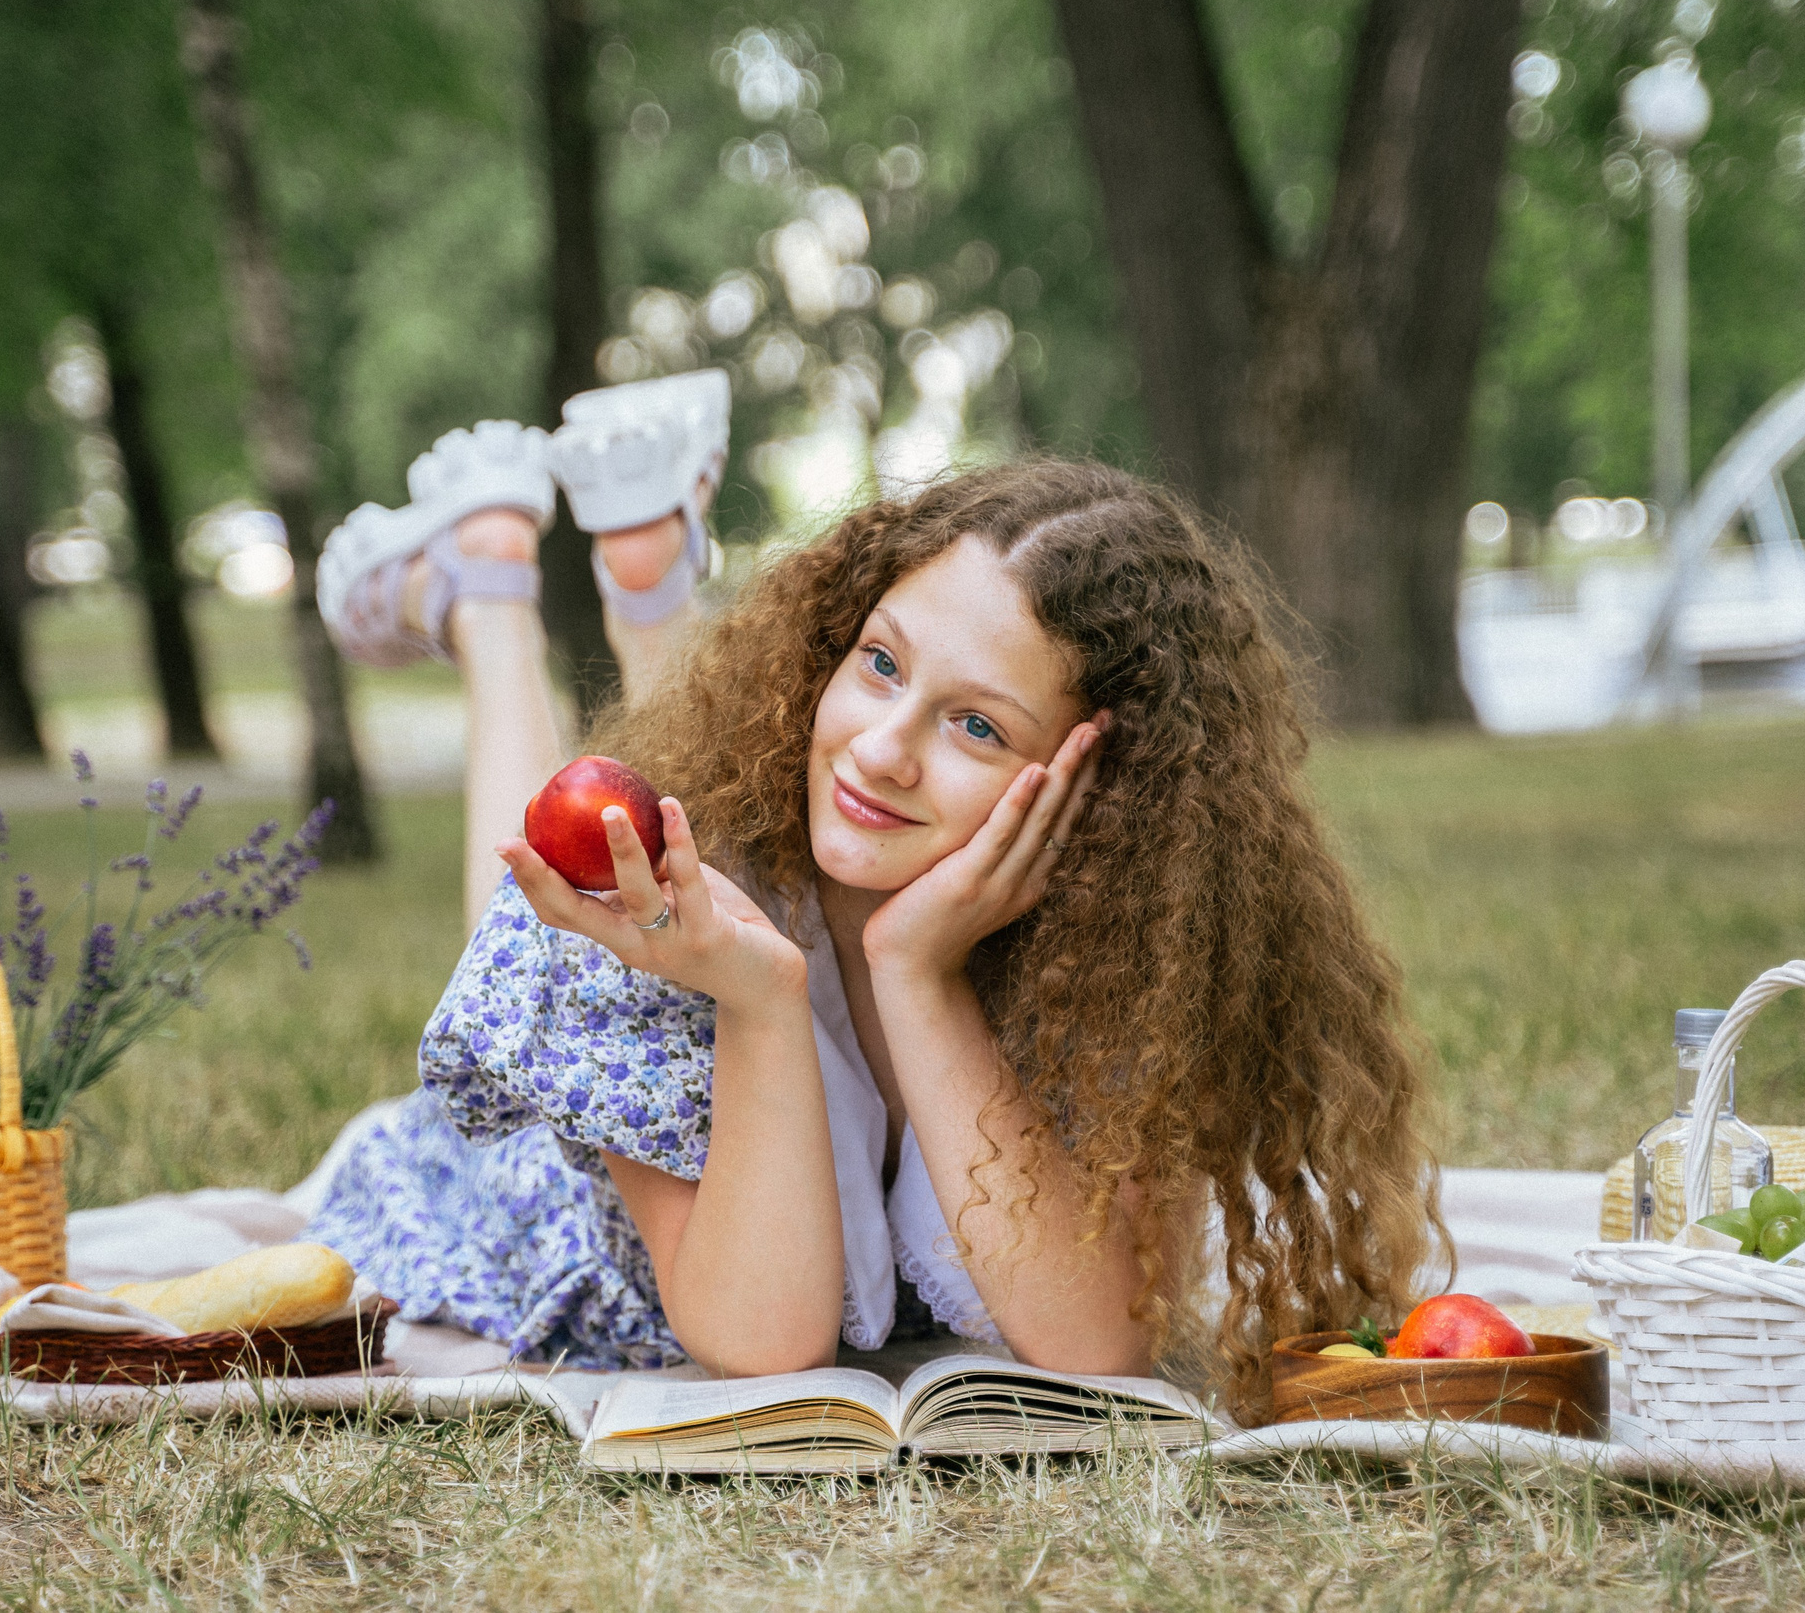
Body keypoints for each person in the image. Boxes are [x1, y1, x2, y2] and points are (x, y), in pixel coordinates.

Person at [299, 371, 1436, 1416]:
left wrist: (916, 972)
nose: (881, 748)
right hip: (531, 1212)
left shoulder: (1125, 952)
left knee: (670, 822)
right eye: (881, 663)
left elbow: (1094, 1344)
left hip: (840, 927)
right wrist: (758, 999)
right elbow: (761, 1342)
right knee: (577, 862)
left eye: (977, 724)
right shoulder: (678, 912)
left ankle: (641, 583)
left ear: (1101, 792)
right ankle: (490, 598)